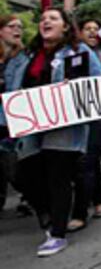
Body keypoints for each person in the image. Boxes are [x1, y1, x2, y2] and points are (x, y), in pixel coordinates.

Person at [5, 7, 101, 257]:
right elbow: (15, 86)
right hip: (31, 125)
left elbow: (95, 83)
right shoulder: (29, 54)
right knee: (25, 174)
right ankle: (48, 215)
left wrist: (75, 87)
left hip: (64, 125)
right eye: (42, 19)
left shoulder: (79, 51)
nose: (45, 22)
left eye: (52, 18)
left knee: (58, 176)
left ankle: (57, 234)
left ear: (66, 26)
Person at [68, 18, 101, 231]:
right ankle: (98, 201)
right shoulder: (73, 53)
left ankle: (81, 212)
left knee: (89, 161)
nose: (92, 32)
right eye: (87, 29)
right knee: (90, 162)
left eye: (95, 29)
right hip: (81, 115)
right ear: (79, 33)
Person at [0, 15, 24, 212]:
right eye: (12, 26)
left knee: (14, 171)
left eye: (20, 27)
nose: (17, 30)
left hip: (12, 121)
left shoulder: (24, 58)